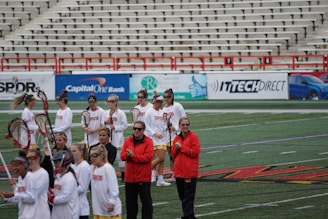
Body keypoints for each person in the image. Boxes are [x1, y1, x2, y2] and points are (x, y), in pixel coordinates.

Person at [0, 150, 51, 219]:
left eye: (32, 158)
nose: (29, 160)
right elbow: (21, 197)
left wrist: (15, 193)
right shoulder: (23, 176)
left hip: (39, 215)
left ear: (38, 158)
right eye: (27, 158)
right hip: (24, 215)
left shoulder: (42, 174)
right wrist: (7, 197)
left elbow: (32, 197)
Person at [120, 121, 154, 219]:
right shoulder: (128, 141)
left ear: (143, 130)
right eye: (134, 128)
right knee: (130, 205)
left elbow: (148, 157)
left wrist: (133, 156)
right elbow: (122, 156)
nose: (136, 131)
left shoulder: (148, 141)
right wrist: (128, 155)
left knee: (146, 204)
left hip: (143, 178)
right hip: (130, 178)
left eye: (139, 129)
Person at [171, 117, 200, 219]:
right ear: (179, 126)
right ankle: (190, 215)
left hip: (189, 172)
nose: (185, 126)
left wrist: (182, 147)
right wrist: (176, 147)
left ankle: (187, 216)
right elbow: (173, 155)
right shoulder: (176, 138)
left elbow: (195, 152)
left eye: (187, 124)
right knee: (182, 196)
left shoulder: (193, 137)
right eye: (183, 125)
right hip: (179, 173)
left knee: (188, 197)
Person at [144, 91, 170, 187]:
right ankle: (146, 172)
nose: (161, 103)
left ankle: (160, 179)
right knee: (160, 157)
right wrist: (154, 133)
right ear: (155, 102)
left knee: (162, 159)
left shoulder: (162, 112)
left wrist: (166, 128)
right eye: (159, 101)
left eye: (161, 102)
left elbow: (163, 123)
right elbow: (146, 126)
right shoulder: (149, 112)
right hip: (152, 138)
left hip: (162, 138)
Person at [90, 144, 122, 219]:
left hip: (111, 211)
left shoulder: (108, 168)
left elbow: (113, 187)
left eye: (94, 155)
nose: (92, 158)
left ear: (101, 156)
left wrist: (112, 202)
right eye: (91, 155)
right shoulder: (92, 168)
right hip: (99, 210)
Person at [162, 88, 187, 182]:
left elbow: (184, 118)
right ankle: (173, 174)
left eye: (167, 97)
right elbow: (164, 121)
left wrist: (176, 128)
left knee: (177, 155)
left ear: (172, 97)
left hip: (177, 134)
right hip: (168, 135)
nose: (165, 99)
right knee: (171, 156)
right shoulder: (164, 108)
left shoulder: (178, 106)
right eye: (164, 97)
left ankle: (180, 173)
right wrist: (166, 128)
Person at [102, 94, 128, 181]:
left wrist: (115, 127)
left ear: (116, 102)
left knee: (120, 158)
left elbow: (125, 125)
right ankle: (109, 175)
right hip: (108, 139)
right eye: (108, 101)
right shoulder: (105, 113)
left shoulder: (120, 113)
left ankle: (123, 175)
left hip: (118, 138)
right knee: (108, 157)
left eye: (111, 101)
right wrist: (105, 122)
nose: (109, 103)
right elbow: (102, 124)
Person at [48, 150, 79, 219]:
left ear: (64, 163)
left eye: (57, 162)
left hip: (69, 214)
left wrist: (52, 199)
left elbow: (66, 197)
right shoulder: (58, 177)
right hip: (58, 213)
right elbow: (58, 192)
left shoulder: (69, 178)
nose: (55, 164)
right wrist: (50, 191)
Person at [71, 143, 91, 219]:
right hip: (73, 206)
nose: (72, 153)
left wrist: (68, 191)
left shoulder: (84, 166)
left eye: (74, 151)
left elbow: (82, 188)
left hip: (81, 208)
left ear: (81, 152)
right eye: (71, 151)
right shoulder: (72, 166)